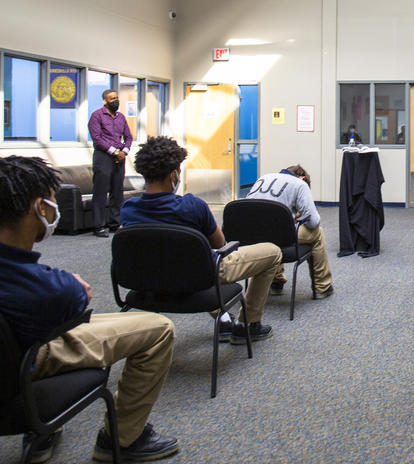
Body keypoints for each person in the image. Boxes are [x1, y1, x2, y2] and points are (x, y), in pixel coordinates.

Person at [0, 156, 179, 463]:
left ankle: (45, 431)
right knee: (159, 329)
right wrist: (66, 282)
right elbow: (71, 308)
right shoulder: (55, 290)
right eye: (53, 200)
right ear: (39, 208)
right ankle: (122, 438)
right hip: (23, 361)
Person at [121, 136, 281, 344]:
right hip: (199, 275)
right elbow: (220, 244)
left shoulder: (129, 209)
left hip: (150, 276)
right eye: (178, 170)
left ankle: (223, 318)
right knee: (272, 252)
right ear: (173, 175)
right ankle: (247, 325)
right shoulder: (192, 206)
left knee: (187, 263)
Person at [246, 164, 334, 298]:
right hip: (279, 237)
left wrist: (292, 217)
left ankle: (276, 282)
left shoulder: (263, 178)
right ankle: (322, 287)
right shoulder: (299, 184)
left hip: (252, 236)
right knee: (317, 232)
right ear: (303, 178)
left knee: (273, 232)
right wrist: (300, 217)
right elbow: (313, 222)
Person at [88, 89, 133, 238]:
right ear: (105, 101)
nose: (115, 100)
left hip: (120, 158)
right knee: (101, 192)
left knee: (117, 192)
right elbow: (97, 138)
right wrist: (114, 151)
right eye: (112, 98)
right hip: (103, 157)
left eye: (116, 98)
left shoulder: (121, 117)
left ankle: (115, 224)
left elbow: (128, 137)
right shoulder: (97, 115)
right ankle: (99, 226)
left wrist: (124, 152)